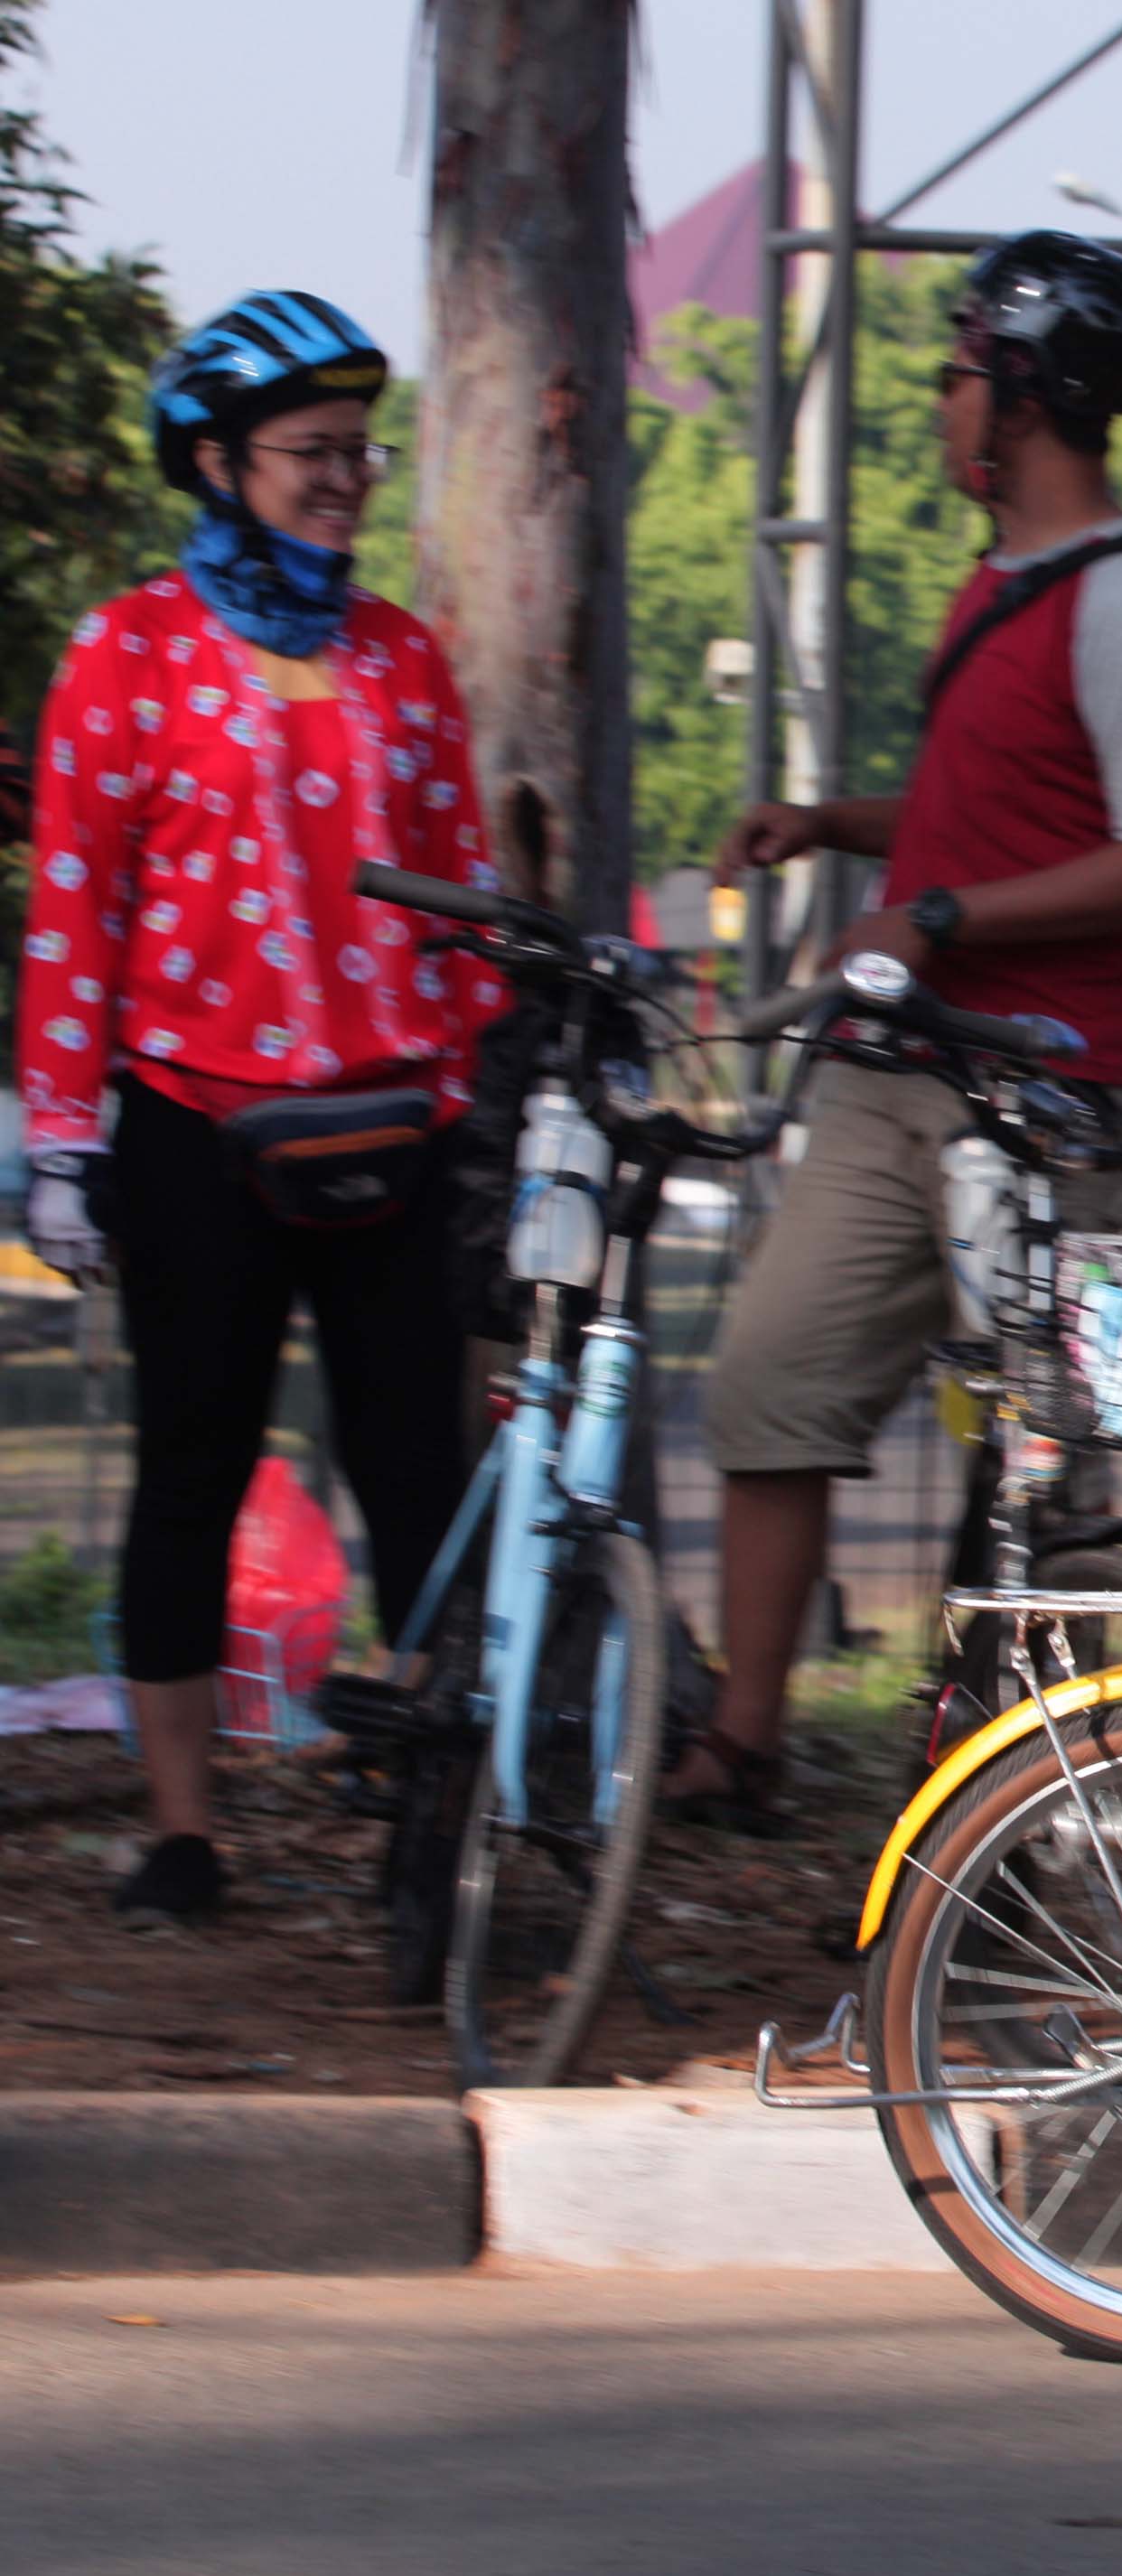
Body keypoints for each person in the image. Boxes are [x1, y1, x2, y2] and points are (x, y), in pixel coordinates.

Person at [683, 229, 1122, 1825]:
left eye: (965, 370)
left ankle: (1027, 1811)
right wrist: (837, 827)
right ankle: (749, 1737)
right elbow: (989, 809)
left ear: (1028, 396)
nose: (943, 400)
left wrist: (932, 918)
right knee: (770, 1387)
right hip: (898, 1079)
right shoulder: (1001, 586)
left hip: (1046, 1100)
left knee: (1045, 1481)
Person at [17, 291, 511, 1925]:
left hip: (389, 1134)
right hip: (190, 1128)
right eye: (312, 452)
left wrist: (485, 1096)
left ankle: (432, 1835)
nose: (347, 479)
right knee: (193, 1465)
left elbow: (462, 909)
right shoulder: (128, 650)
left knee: (415, 1484)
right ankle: (184, 1830)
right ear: (220, 463)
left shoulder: (402, 659)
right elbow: (75, 907)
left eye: (360, 451)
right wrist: (61, 1140)